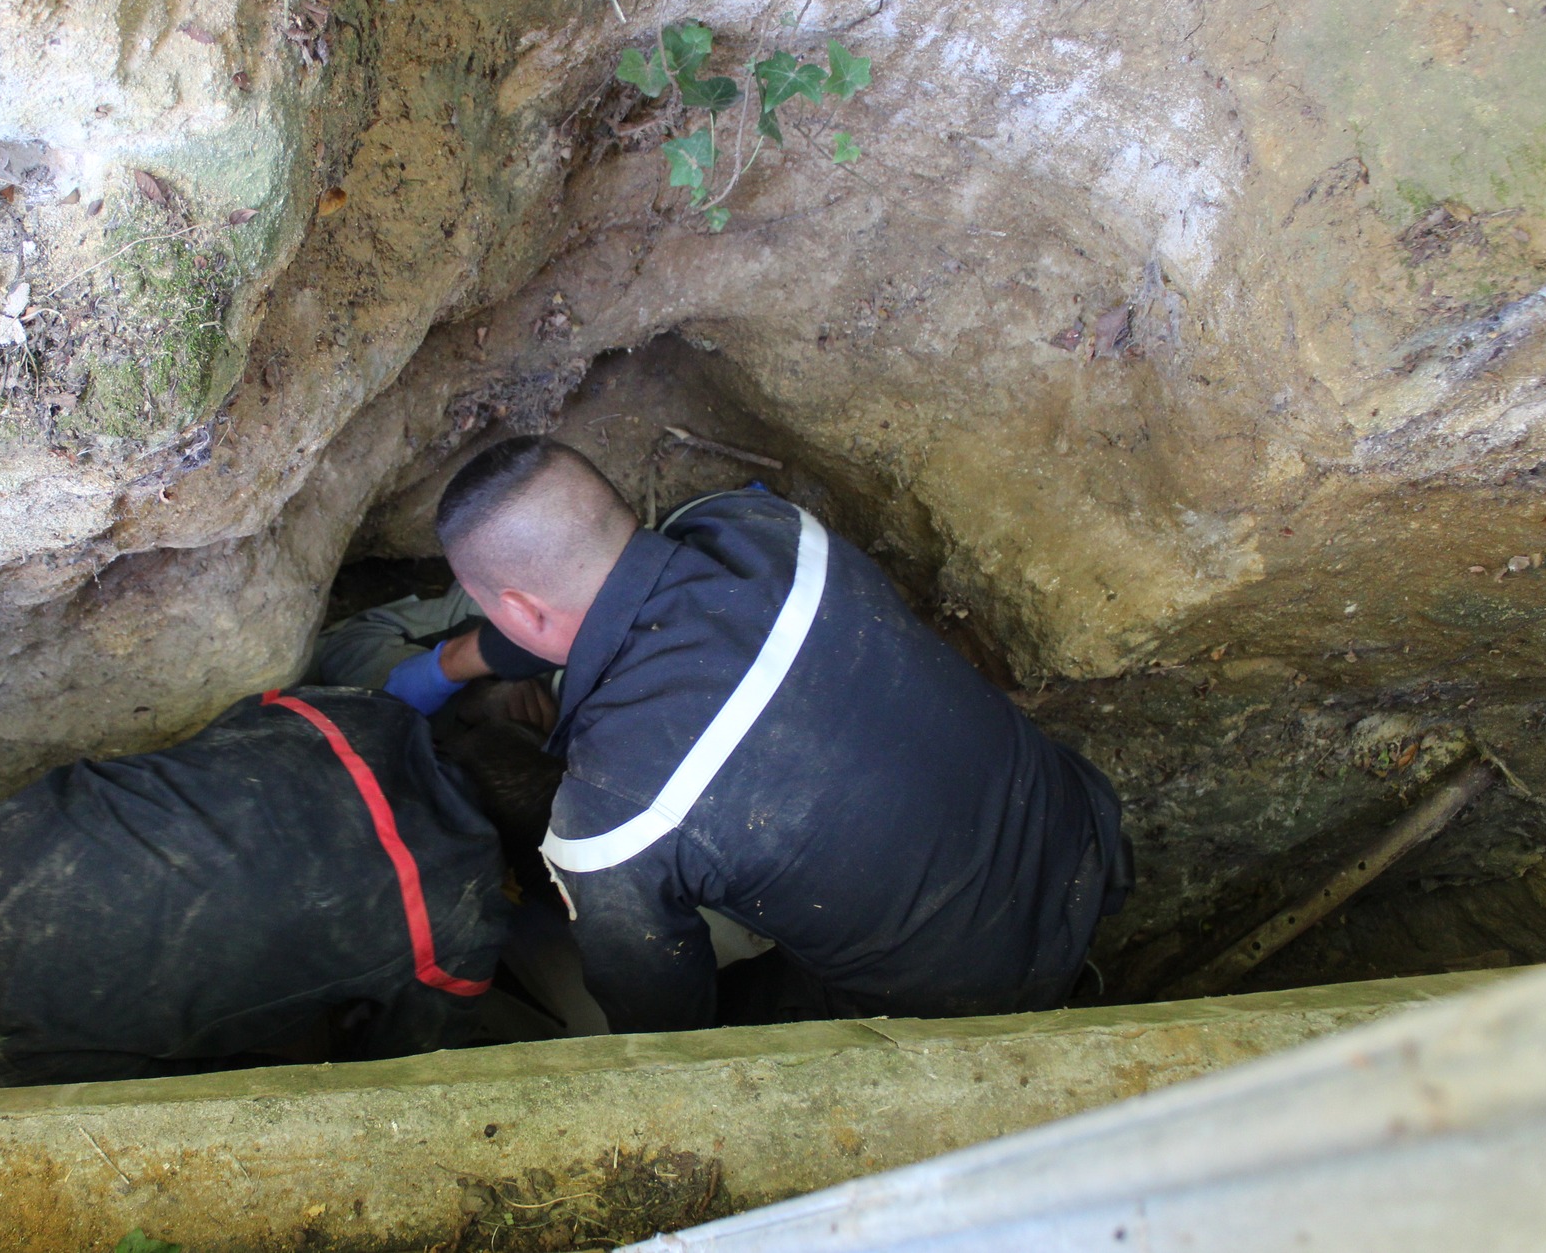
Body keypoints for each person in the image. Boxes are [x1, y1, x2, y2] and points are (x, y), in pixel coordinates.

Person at [418, 436, 1132, 1035]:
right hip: (1082, 838)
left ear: (516, 606)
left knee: (721, 1014)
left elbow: (667, 1031)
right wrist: (453, 665)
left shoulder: (611, 812)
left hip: (972, 1005)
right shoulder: (758, 524)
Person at [0, 687, 512, 1087]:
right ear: (517, 873)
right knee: (295, 1062)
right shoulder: (463, 917)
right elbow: (398, 1073)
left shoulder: (350, 713)